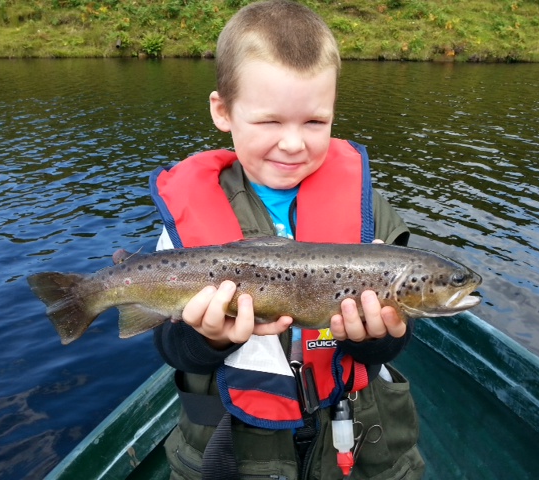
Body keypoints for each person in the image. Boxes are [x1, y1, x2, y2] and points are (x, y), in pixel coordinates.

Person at [150, 1, 425, 478]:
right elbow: (172, 349)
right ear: (223, 111)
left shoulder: (371, 217)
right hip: (231, 447)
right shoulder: (183, 230)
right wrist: (205, 341)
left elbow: (394, 337)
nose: (294, 143)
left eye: (315, 122)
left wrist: (376, 341)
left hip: (357, 437)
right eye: (269, 121)